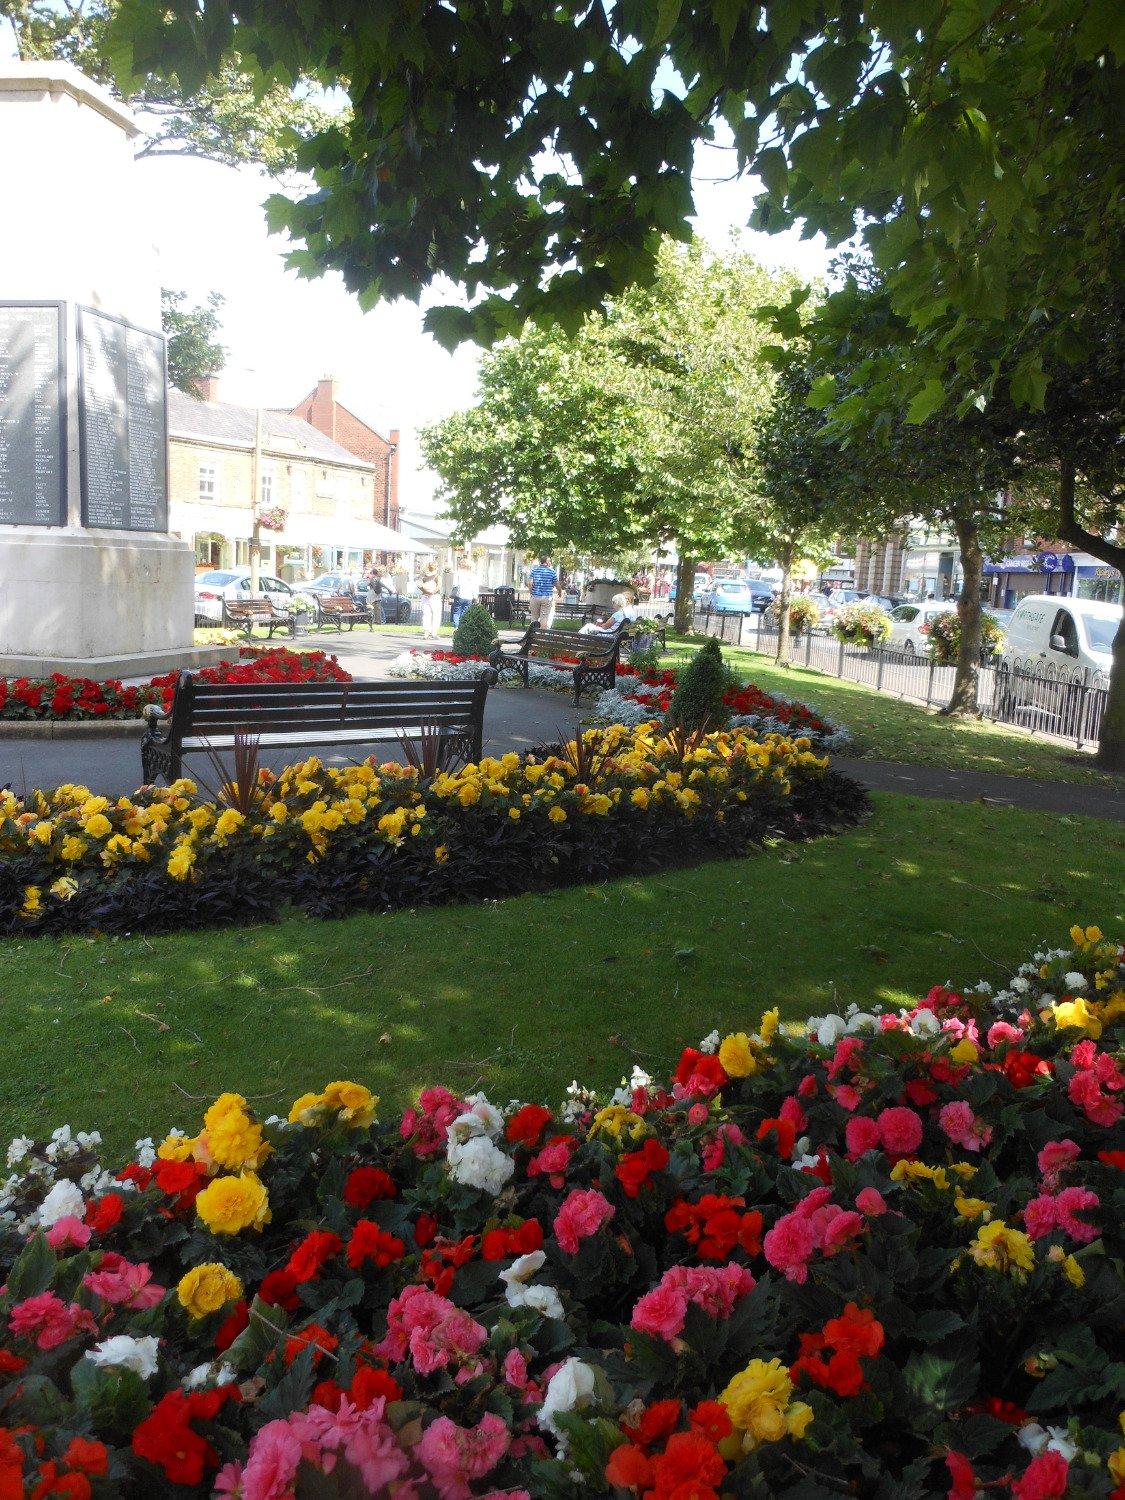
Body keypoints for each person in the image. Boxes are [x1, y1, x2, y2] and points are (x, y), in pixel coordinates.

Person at [527, 554, 559, 628]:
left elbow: (530, 584)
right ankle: (542, 636)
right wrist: (560, 591)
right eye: (550, 561)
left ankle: (533, 635)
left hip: (535, 597)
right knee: (544, 618)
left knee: (534, 617)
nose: (551, 562)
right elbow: (557, 584)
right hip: (546, 598)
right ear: (547, 562)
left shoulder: (534, 571)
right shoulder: (552, 572)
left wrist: (531, 592)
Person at [451, 556, 479, 627]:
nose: (458, 565)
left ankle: (456, 628)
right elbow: (475, 587)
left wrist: (451, 595)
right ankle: (462, 628)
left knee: (456, 613)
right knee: (465, 613)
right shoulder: (473, 575)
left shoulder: (457, 573)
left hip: (459, 596)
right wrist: (475, 597)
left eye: (459, 564)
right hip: (469, 597)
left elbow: (455, 585)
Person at [419, 561, 443, 638]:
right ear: (436, 567)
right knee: (436, 614)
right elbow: (439, 587)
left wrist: (425, 591)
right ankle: (434, 633)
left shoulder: (424, 576)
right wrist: (432, 592)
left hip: (425, 596)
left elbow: (419, 585)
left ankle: (426, 632)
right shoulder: (438, 576)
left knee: (426, 614)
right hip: (435, 596)